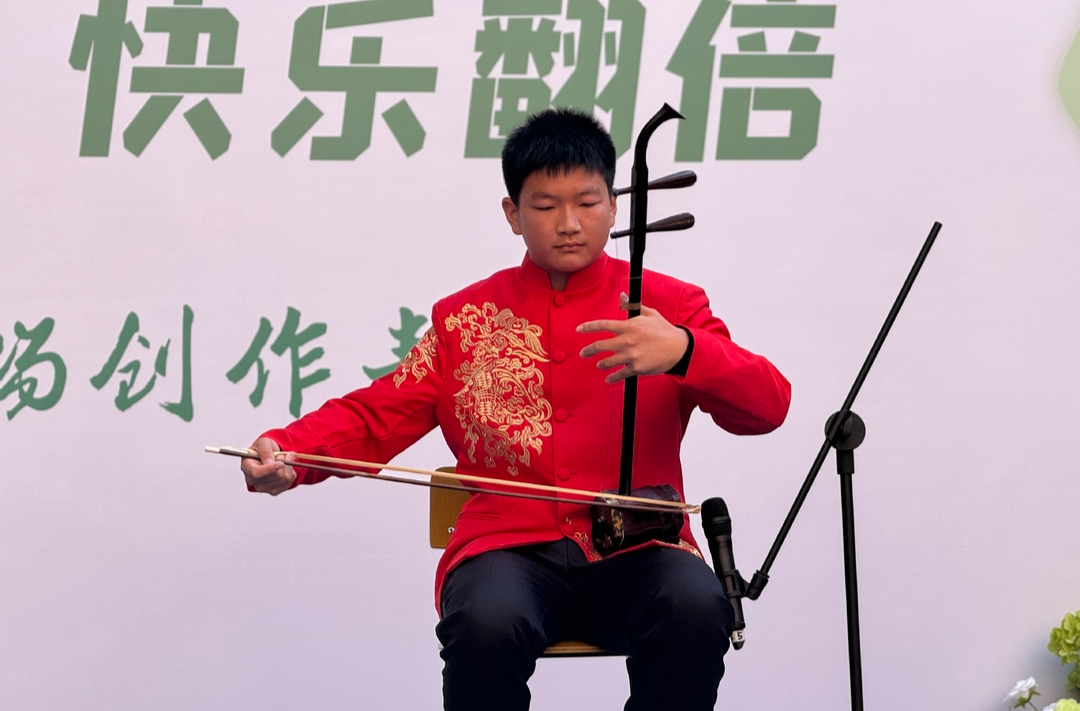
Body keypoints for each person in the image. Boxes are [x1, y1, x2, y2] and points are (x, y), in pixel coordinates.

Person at [241, 107, 791, 711]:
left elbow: (768, 407)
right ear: (513, 214)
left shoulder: (670, 306)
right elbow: (379, 413)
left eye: (587, 202)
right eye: (546, 205)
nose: (569, 223)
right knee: (486, 620)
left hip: (640, 550)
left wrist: (686, 350)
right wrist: (292, 453)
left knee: (695, 606)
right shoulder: (465, 318)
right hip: (508, 550)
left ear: (614, 206)